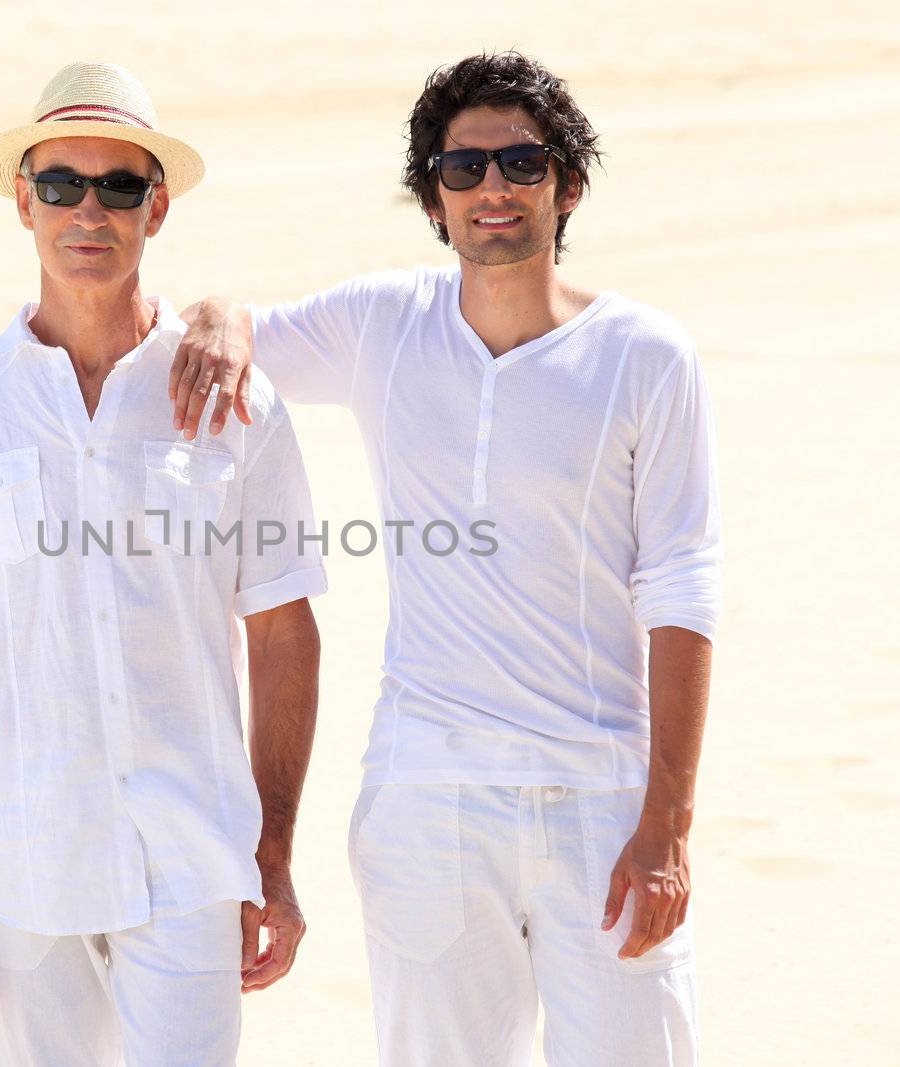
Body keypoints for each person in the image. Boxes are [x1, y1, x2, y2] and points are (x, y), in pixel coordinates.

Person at [172, 51, 722, 1066]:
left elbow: (682, 587)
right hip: (427, 800)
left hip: (598, 801)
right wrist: (213, 309)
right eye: (461, 170)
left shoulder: (646, 355)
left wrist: (668, 826)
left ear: (568, 181)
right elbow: (234, 334)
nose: (493, 189)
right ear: (432, 197)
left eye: (521, 161)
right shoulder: (383, 323)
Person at [0, 61, 326, 1067]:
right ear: (22, 200)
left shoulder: (234, 403)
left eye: (119, 186)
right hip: (20, 864)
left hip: (193, 862)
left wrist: (275, 855)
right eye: (61, 185)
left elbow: (284, 636)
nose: (89, 210)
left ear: (155, 208)